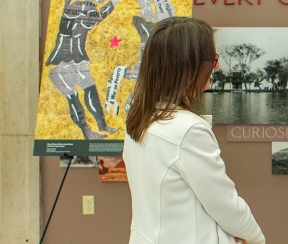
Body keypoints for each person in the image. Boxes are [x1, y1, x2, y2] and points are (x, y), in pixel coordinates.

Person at [123, 17, 264, 244]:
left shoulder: (139, 119)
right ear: (190, 67)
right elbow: (225, 205)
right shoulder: (188, 129)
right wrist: (257, 239)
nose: (216, 68)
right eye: (213, 60)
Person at [45, 0, 120, 140]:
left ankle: (102, 126)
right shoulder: (82, 6)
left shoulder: (83, 6)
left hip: (75, 62)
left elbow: (97, 16)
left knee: (90, 90)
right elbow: (96, 17)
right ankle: (87, 132)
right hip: (62, 64)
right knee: (73, 97)